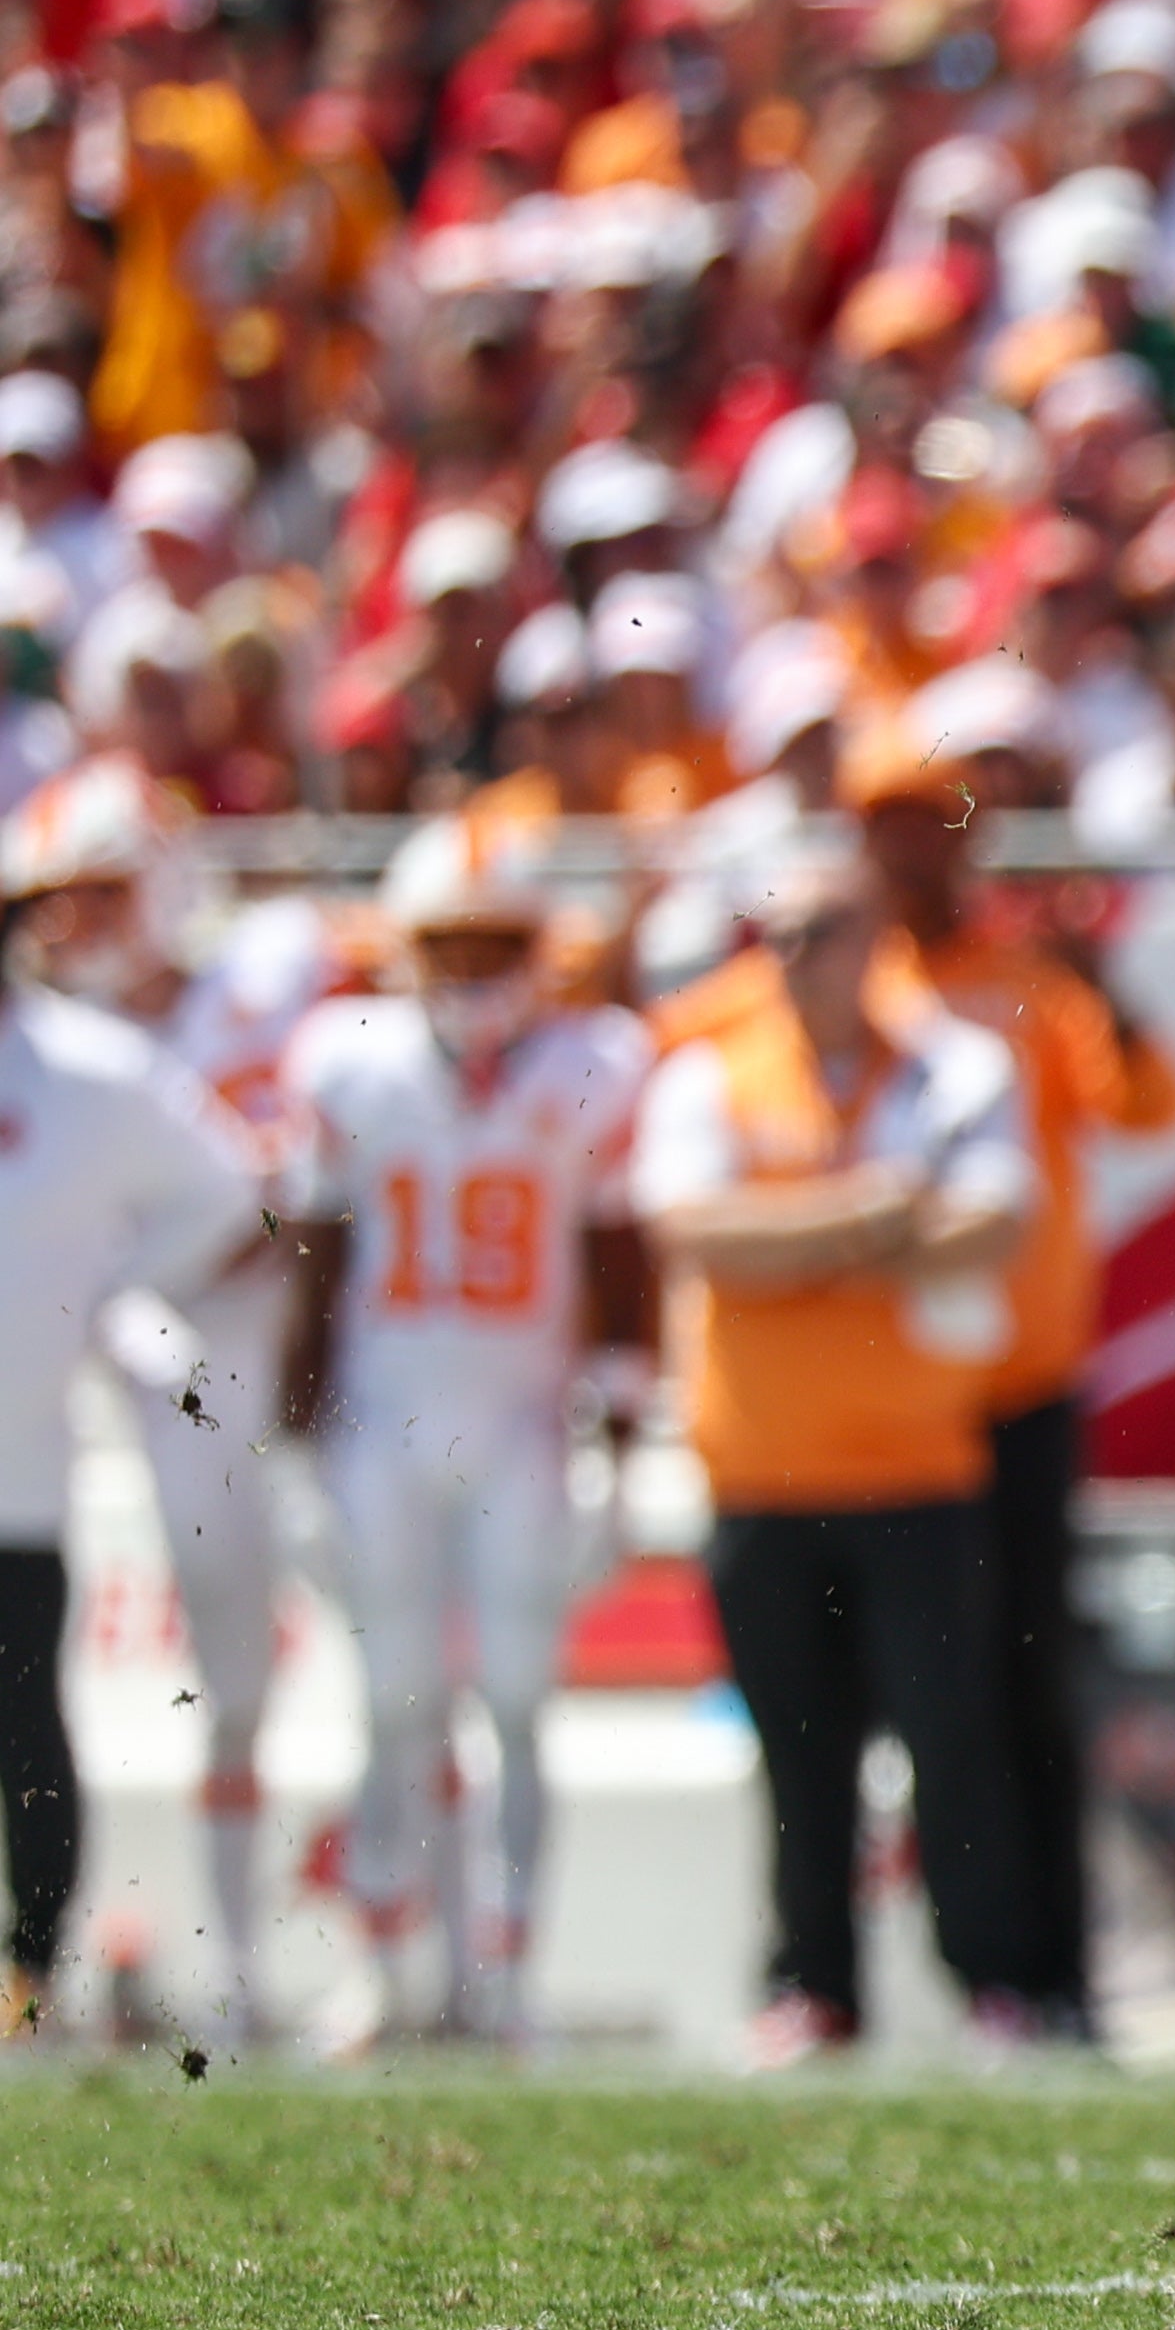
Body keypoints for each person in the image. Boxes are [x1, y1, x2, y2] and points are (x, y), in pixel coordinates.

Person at [631, 846, 1041, 2064]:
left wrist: (795, 1241)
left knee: (952, 1741)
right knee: (795, 1751)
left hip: (917, 1460)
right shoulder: (714, 1069)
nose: (810, 955)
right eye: (790, 933)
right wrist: (875, 1213)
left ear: (877, 937)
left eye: (832, 928)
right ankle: (813, 1984)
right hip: (760, 1467)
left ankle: (991, 1980)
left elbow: (996, 1217)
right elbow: (697, 1233)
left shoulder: (952, 1062)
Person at [278, 815, 651, 2045]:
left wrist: (624, 1443)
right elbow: (316, 1258)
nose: (477, 965)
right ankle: (387, 1966)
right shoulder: (349, 1060)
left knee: (516, 1695)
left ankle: (506, 1976)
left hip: (521, 1418)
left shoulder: (588, 1059)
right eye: (453, 940)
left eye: (499, 939)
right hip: (383, 1416)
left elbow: (616, 1252)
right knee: (389, 1696)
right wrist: (292, 1449)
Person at [849, 711, 1175, 2034]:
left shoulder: (1025, 981)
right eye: (887, 832)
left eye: (926, 830)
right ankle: (977, 1965)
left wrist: (1095, 969)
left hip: (1022, 1381)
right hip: (892, 1394)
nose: (911, 858)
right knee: (937, 1687)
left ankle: (1049, 1967)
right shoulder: (849, 981)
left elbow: (1149, 1102)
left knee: (1030, 1673)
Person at [3, 756, 329, 2042]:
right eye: (59, 898)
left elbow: (260, 1195)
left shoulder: (234, 1005)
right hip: (107, 1383)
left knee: (237, 1659)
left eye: (99, 890)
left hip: (230, 1370)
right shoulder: (81, 1044)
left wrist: (113, 1285)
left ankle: (245, 1964)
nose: (74, 923)